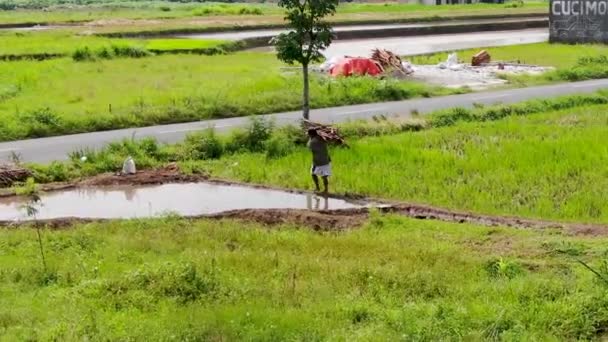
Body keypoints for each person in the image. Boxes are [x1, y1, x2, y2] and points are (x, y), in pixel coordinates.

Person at [307, 128, 331, 194]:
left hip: (318, 161)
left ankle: (317, 187)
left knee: (313, 174)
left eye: (309, 135)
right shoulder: (322, 139)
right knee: (324, 176)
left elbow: (309, 147)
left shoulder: (313, 142)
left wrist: (310, 139)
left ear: (311, 135)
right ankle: (326, 190)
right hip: (326, 160)